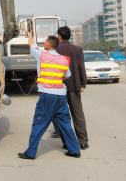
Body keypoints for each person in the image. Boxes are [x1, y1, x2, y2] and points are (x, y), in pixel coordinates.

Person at [18, 32, 81, 160]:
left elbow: (32, 45)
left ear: (47, 45)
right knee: (65, 124)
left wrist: (30, 36)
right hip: (60, 96)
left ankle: (30, 153)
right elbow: (66, 76)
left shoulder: (42, 55)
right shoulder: (64, 59)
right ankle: (74, 150)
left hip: (47, 96)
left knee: (39, 123)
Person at [55, 26, 89, 150]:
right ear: (70, 36)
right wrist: (83, 83)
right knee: (78, 114)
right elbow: (81, 67)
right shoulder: (77, 49)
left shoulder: (55, 49)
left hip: (59, 87)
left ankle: (66, 142)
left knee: (62, 116)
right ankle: (83, 141)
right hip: (74, 85)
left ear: (59, 36)